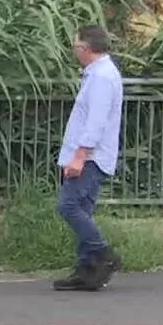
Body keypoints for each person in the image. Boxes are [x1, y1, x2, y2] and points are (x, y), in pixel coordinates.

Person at [53, 24, 124, 292]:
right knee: (83, 209)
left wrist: (80, 156)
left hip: (91, 157)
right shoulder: (98, 74)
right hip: (89, 155)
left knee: (68, 206)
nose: (74, 52)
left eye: (75, 47)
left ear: (86, 48)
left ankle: (104, 254)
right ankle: (87, 269)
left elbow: (96, 120)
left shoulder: (102, 77)